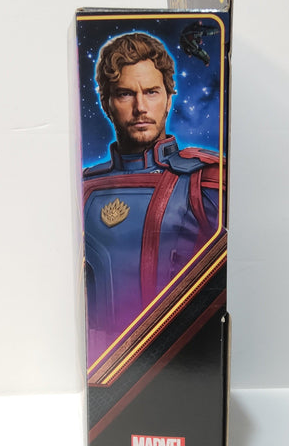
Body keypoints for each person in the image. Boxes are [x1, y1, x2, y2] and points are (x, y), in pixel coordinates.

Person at [83, 32, 225, 364]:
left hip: (181, 362)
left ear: (169, 98)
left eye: (151, 92)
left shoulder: (204, 179)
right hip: (101, 364)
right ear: (106, 102)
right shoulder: (84, 187)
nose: (140, 107)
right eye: (125, 94)